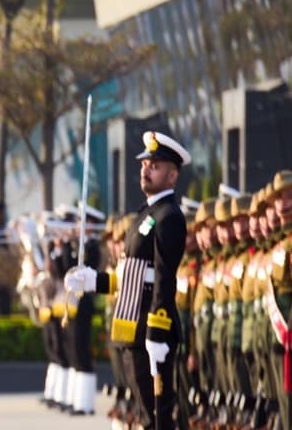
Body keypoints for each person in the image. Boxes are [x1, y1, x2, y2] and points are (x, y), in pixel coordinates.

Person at [66, 130, 189, 430]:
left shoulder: (169, 216)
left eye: (155, 165)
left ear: (172, 176)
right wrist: (95, 282)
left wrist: (157, 332)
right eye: (145, 163)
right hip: (129, 328)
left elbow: (163, 278)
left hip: (148, 330)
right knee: (146, 414)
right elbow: (131, 276)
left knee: (158, 416)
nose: (146, 168)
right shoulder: (145, 214)